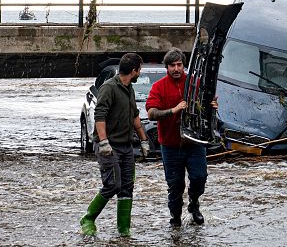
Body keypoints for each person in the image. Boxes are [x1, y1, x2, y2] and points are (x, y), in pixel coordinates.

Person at [80, 53, 150, 237]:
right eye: (139, 70)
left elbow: (135, 115)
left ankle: (124, 229)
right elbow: (99, 115)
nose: (139, 73)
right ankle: (88, 219)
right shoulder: (109, 88)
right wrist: (103, 142)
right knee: (112, 185)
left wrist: (143, 140)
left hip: (126, 146)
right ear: (134, 71)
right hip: (109, 146)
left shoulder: (130, 89)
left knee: (127, 187)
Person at [146, 48, 218, 227]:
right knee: (175, 185)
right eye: (172, 66)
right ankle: (175, 220)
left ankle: (194, 204)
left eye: (179, 65)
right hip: (170, 145)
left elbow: (207, 106)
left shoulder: (195, 83)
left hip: (194, 143)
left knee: (200, 177)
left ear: (184, 65)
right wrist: (173, 110)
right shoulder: (159, 87)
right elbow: (151, 113)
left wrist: (213, 106)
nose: (176, 69)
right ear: (167, 67)